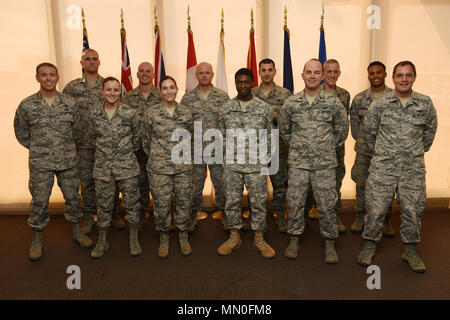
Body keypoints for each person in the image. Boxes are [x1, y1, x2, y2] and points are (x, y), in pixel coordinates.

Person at [357, 61, 437, 273]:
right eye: (400, 75)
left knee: (412, 211)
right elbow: (369, 132)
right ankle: (369, 245)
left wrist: (413, 152)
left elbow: (429, 133)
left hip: (412, 170)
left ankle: (410, 250)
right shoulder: (381, 104)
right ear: (392, 78)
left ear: (414, 77)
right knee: (375, 209)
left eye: (408, 75)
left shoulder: (425, 103)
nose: (404, 79)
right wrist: (385, 153)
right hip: (383, 168)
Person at [14, 62, 92, 261]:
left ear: (57, 78)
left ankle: (77, 231)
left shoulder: (70, 103)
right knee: (39, 202)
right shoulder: (27, 105)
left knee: (73, 198)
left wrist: (66, 147)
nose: (48, 78)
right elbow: (21, 131)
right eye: (44, 75)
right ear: (37, 78)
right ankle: (37, 239)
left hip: (67, 160)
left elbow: (79, 130)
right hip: (41, 162)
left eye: (52, 75)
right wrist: (38, 147)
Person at [280, 59, 348, 264]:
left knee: (327, 205)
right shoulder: (291, 102)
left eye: (316, 72)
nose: (312, 76)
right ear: (302, 75)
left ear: (323, 76)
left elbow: (342, 129)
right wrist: (299, 146)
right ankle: (294, 239)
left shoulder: (333, 102)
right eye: (308, 72)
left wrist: (326, 148)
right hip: (299, 163)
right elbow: (285, 130)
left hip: (325, 164)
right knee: (296, 202)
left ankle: (329, 243)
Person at [63, 49, 126, 233]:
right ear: (81, 62)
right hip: (83, 145)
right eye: (87, 59)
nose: (91, 62)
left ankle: (112, 212)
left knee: (110, 181)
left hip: (106, 145)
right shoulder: (72, 88)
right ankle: (90, 216)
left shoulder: (108, 85)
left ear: (99, 62)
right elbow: (65, 115)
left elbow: (117, 111)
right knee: (87, 182)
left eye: (94, 59)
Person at [217, 68, 276, 259]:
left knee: (258, 202)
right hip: (232, 165)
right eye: (239, 82)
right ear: (235, 83)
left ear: (252, 83)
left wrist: (265, 158)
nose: (242, 85)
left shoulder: (264, 108)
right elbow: (221, 135)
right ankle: (234, 236)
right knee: (232, 202)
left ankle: (259, 237)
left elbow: (270, 136)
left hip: (255, 165)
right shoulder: (226, 108)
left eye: (246, 82)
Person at [88, 77, 142, 258]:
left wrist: (122, 153)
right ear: (102, 91)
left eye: (116, 90)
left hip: (127, 166)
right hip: (103, 168)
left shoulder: (129, 113)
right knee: (103, 205)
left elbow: (137, 139)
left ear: (120, 92)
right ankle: (102, 240)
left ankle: (133, 238)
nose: (112, 93)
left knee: (133, 204)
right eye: (109, 89)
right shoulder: (94, 113)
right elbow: (92, 137)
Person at [142, 76, 193, 258]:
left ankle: (183, 234)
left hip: (183, 168)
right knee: (162, 204)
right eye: (165, 88)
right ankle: (164, 236)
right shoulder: (151, 113)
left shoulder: (186, 113)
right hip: (159, 168)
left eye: (172, 87)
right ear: (160, 91)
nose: (169, 91)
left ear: (177, 88)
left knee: (184, 202)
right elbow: (146, 140)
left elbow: (191, 138)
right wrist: (158, 156)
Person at [180, 62, 229, 232]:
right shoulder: (187, 98)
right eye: (201, 73)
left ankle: (225, 214)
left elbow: (227, 123)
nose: (204, 75)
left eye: (207, 72)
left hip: (217, 150)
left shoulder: (222, 97)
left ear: (213, 74)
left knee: (222, 185)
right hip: (195, 151)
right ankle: (193, 215)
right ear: (196, 76)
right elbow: (183, 125)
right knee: (194, 187)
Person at [349, 61, 395, 235]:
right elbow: (355, 127)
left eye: (379, 72)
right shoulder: (360, 99)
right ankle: (360, 216)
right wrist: (367, 143)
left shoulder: (394, 97)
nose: (375, 76)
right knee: (361, 185)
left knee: (387, 187)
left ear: (384, 74)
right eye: (372, 73)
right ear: (368, 75)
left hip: (388, 153)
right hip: (364, 152)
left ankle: (386, 220)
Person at [252, 58, 292, 233]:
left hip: (278, 148)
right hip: (257, 148)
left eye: (270, 70)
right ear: (259, 72)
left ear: (275, 71)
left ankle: (280, 215)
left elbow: (291, 120)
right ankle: (257, 218)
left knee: (280, 184)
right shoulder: (251, 93)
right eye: (263, 70)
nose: (267, 73)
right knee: (256, 185)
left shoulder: (285, 94)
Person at [123, 62, 162, 230]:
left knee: (160, 183)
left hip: (158, 149)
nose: (145, 73)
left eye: (148, 71)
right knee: (139, 182)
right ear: (137, 75)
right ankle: (141, 213)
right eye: (141, 71)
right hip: (136, 148)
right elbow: (123, 123)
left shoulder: (162, 96)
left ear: (153, 75)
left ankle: (162, 217)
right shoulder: (128, 98)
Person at [313, 59, 351, 234]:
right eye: (329, 71)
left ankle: (334, 215)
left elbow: (343, 124)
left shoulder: (344, 95)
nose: (332, 75)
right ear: (323, 73)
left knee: (335, 182)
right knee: (310, 183)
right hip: (315, 147)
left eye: (335, 72)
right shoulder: (314, 93)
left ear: (339, 73)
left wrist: (335, 143)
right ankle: (309, 214)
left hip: (335, 148)